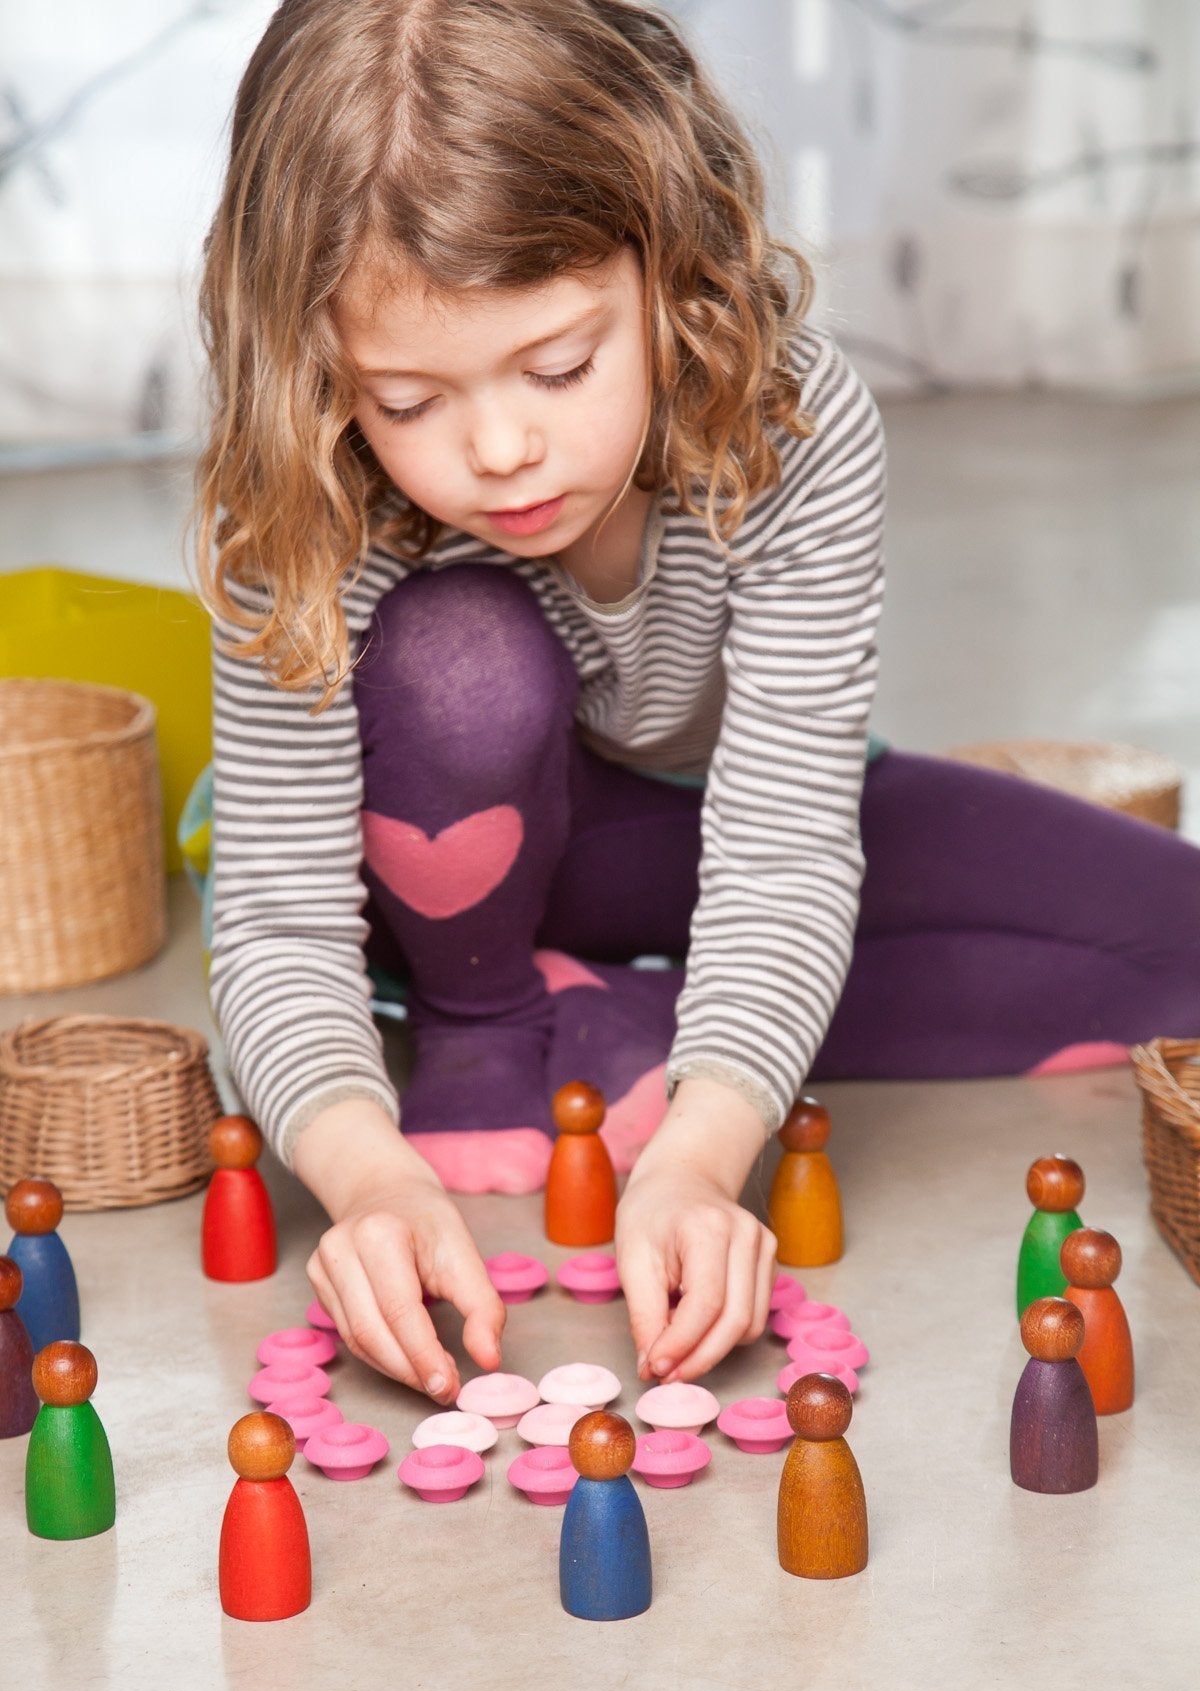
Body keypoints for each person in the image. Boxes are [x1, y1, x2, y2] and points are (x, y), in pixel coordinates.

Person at [195, 0, 1200, 1404]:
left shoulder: (800, 426)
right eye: (406, 399)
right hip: (439, 859)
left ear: (668, 260)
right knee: (457, 656)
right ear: (316, 366)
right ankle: (487, 1030)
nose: (499, 448)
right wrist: (362, 1175)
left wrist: (699, 1154)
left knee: (1177, 936)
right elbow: (277, 918)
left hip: (700, 830)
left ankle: (626, 1023)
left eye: (559, 367)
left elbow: (784, 850)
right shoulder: (294, 490)